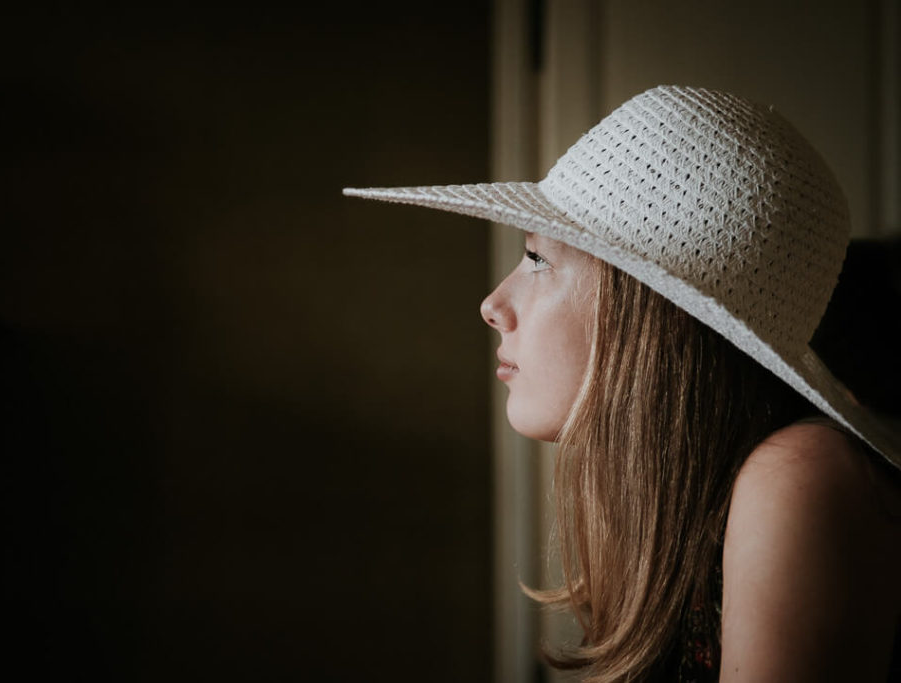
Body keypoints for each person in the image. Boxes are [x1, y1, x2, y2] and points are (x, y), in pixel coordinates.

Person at [345, 85, 901, 681]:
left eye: (538, 260)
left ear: (655, 311)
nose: (492, 305)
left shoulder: (799, 475)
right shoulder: (681, 500)